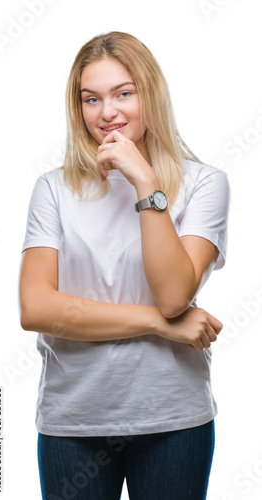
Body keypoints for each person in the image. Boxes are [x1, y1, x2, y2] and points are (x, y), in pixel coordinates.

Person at [19, 31, 230, 500]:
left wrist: (145, 182)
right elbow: (35, 308)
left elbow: (175, 295)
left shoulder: (204, 185)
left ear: (149, 94)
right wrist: (161, 325)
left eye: (123, 94)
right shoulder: (53, 189)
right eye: (91, 99)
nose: (107, 112)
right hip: (73, 421)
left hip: (174, 418)